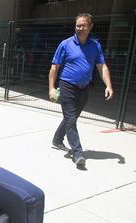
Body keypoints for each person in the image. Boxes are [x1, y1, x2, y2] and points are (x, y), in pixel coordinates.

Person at [49, 13, 114, 167]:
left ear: (90, 27)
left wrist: (109, 85)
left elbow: (102, 66)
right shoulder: (65, 44)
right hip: (67, 86)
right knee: (71, 119)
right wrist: (51, 88)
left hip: (84, 88)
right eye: (78, 25)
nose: (80, 28)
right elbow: (54, 67)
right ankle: (78, 153)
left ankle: (57, 140)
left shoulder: (95, 45)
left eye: (83, 25)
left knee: (71, 118)